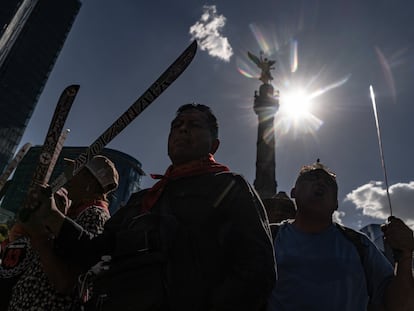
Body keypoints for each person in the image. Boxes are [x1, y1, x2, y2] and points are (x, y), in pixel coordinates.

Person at [28, 103, 276, 311]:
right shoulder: (141, 200)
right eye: (176, 126)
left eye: (194, 125)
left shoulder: (230, 186)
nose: (182, 130)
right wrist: (52, 215)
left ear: (214, 145)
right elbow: (92, 251)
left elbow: (257, 269)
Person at [267, 159, 414, 311]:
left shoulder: (360, 245)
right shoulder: (268, 238)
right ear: (294, 192)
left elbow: (402, 307)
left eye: (328, 183)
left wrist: (404, 256)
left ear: (336, 203)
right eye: (311, 177)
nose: (320, 182)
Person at [7, 155, 119, 311]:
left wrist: (39, 234)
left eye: (76, 172)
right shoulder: (75, 214)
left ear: (90, 182)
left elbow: (66, 282)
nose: (69, 176)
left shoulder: (95, 216)